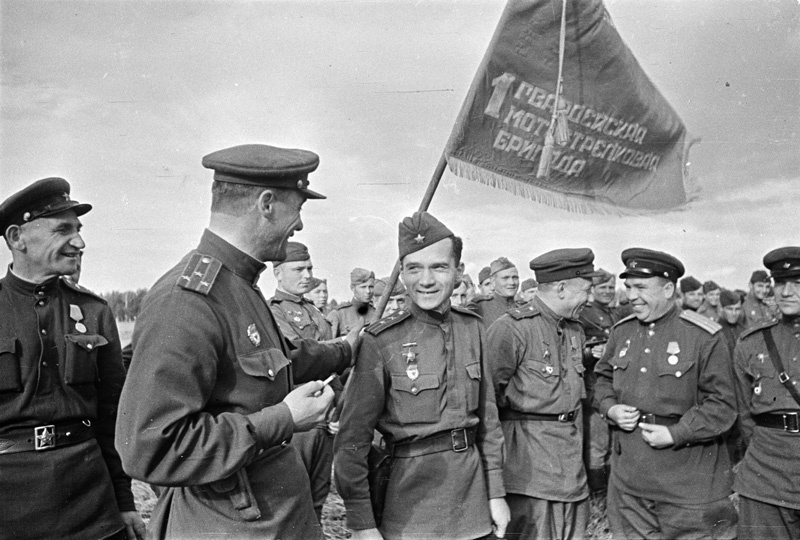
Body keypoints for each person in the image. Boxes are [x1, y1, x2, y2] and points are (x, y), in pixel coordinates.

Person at [116, 144, 360, 539]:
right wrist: (284, 419)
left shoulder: (239, 285)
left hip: (275, 517)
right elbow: (148, 447)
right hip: (230, 524)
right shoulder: (187, 301)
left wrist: (345, 349)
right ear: (266, 204)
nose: (298, 225)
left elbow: (274, 363)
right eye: (298, 208)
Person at [334, 211, 510, 540]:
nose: (425, 280)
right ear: (401, 273)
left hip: (472, 505)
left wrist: (496, 493)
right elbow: (351, 443)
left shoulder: (472, 327)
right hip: (410, 511)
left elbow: (489, 422)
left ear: (458, 272)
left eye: (438, 267)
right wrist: (363, 524)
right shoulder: (381, 341)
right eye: (413, 268)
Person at [0, 177, 145, 540]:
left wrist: (124, 502)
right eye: (63, 230)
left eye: (78, 230)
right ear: (17, 238)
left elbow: (113, 415)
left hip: (91, 506)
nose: (79, 242)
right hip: (9, 506)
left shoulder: (94, 311)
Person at [594, 248, 738, 540]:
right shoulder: (622, 332)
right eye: (628, 287)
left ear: (669, 288)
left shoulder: (703, 336)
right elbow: (602, 379)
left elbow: (723, 405)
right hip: (629, 484)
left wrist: (677, 433)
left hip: (689, 487)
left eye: (641, 288)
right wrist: (610, 408)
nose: (631, 296)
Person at [487, 248, 600, 539]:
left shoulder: (576, 330)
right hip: (529, 471)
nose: (590, 300)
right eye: (586, 291)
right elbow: (487, 403)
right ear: (561, 288)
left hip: (571, 466)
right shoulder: (511, 329)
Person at [267, 240, 339, 521]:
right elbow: (297, 358)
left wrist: (338, 410)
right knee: (292, 501)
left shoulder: (315, 311)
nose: (307, 275)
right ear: (278, 273)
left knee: (318, 496)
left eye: (309, 268)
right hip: (298, 422)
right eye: (299, 269)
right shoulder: (273, 311)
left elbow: (337, 365)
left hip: (326, 419)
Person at [733, 247, 800, 540]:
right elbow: (744, 415)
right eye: (780, 281)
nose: (786, 291)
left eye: (797, 283)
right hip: (766, 478)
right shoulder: (751, 343)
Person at [578, 268, 623, 493]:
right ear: (593, 289)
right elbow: (576, 347)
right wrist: (591, 351)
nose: (607, 291)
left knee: (612, 443)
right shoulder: (585, 314)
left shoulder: (615, 314)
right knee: (598, 442)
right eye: (603, 287)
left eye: (611, 287)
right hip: (593, 385)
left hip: (613, 385)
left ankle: (608, 491)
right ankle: (597, 493)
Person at [467, 257, 519, 327]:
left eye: (515, 277)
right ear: (493, 282)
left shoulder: (523, 308)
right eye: (505, 278)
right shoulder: (479, 307)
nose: (512, 282)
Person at [328, 267, 376, 337]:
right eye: (363, 287)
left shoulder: (376, 313)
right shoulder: (338, 314)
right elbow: (329, 345)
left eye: (371, 287)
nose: (368, 291)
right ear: (353, 288)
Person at [718, 289, 746, 354]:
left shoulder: (743, 329)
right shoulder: (716, 332)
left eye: (737, 309)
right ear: (721, 309)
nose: (734, 313)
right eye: (729, 309)